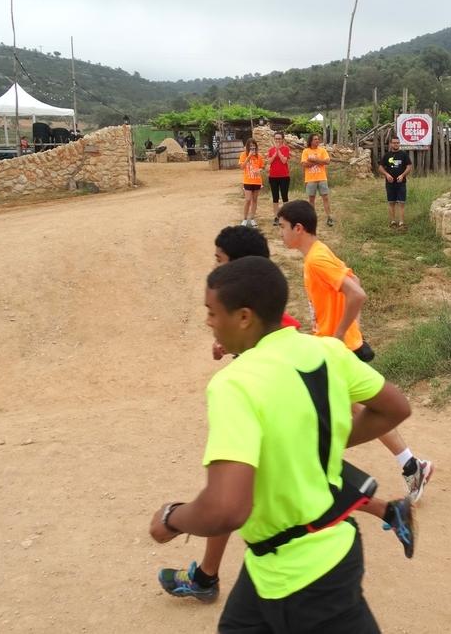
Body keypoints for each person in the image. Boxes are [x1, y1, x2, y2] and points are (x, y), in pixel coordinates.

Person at [150, 256, 412, 632]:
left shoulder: (235, 384)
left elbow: (226, 509)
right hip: (302, 556)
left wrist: (170, 519)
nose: (208, 321)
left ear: (244, 317)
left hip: (304, 575)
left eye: (212, 312)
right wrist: (320, 440)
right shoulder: (326, 351)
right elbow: (395, 407)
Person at [277, 199, 434, 503]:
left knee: (326, 417)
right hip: (334, 347)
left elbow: (357, 293)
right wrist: (352, 330)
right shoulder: (317, 254)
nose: (280, 233)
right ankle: (412, 466)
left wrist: (339, 336)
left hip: (335, 351)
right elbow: (355, 281)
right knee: (360, 412)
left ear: (298, 228)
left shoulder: (316, 260)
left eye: (282, 227)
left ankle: (322, 484)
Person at [377, 135, 413, 228]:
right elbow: (380, 167)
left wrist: (402, 175)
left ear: (399, 144)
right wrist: (387, 174)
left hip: (401, 182)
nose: (396, 144)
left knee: (401, 203)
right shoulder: (387, 155)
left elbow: (409, 166)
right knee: (391, 202)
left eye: (397, 143)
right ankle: (393, 222)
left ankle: (401, 223)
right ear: (391, 144)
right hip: (390, 183)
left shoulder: (404, 155)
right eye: (394, 143)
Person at [301, 133, 334, 227]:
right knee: (311, 199)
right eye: (315, 139)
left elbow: (327, 161)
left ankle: (329, 217)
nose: (317, 141)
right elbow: (304, 164)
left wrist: (314, 160)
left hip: (322, 178)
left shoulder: (322, 150)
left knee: (325, 198)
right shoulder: (306, 151)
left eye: (318, 139)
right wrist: (319, 161)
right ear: (311, 141)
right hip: (310, 179)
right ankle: (313, 218)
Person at [265, 131, 292, 226]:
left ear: (282, 139)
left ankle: (286, 217)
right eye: (276, 139)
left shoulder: (286, 149)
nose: (277, 140)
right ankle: (276, 217)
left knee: (285, 197)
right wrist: (274, 154)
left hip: (284, 176)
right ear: (274, 139)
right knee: (275, 197)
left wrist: (278, 151)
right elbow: (269, 162)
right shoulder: (271, 150)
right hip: (273, 176)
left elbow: (284, 161)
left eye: (279, 139)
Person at [239, 139, 264, 227]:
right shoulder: (243, 155)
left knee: (255, 200)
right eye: (250, 146)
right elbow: (242, 167)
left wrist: (259, 170)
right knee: (248, 200)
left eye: (254, 146)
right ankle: (245, 219)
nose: (252, 148)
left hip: (257, 181)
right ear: (247, 147)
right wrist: (248, 157)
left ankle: (252, 218)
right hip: (247, 180)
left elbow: (262, 167)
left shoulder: (259, 156)